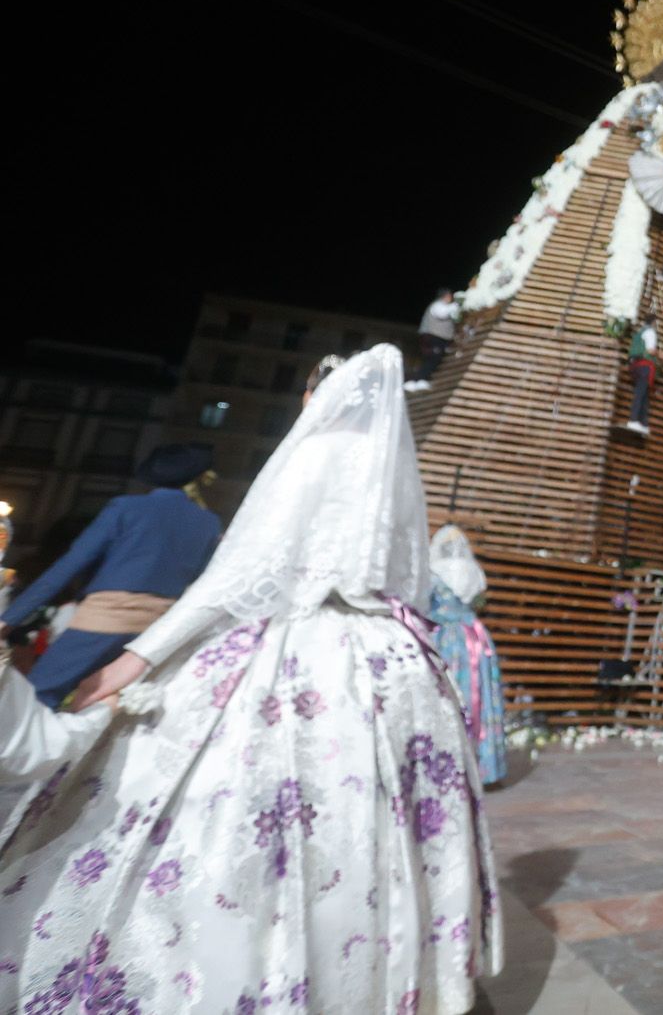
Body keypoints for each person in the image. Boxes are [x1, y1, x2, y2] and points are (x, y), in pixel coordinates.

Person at [0, 347, 499, 1012]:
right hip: (390, 658)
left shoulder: (312, 454)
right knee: (377, 818)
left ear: (320, 395)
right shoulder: (390, 468)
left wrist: (139, 657)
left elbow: (237, 578)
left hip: (290, 644)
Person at [0, 443, 221, 709]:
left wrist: (11, 618)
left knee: (33, 699)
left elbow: (71, 564)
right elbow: (200, 579)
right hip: (155, 630)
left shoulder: (126, 507)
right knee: (105, 706)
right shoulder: (208, 522)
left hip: (103, 619)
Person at [429, 523, 507, 786]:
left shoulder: (434, 572)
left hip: (445, 639)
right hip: (475, 637)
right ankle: (483, 766)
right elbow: (477, 602)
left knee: (446, 695)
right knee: (477, 697)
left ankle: (446, 765)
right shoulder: (473, 572)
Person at [409, 286, 457, 388]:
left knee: (435, 359)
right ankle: (420, 379)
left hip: (438, 338)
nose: (450, 298)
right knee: (433, 358)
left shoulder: (443, 306)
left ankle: (423, 379)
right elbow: (442, 314)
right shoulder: (438, 305)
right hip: (433, 337)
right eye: (449, 296)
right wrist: (455, 306)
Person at [623, 321, 658, 434]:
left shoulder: (639, 334)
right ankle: (634, 420)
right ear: (654, 323)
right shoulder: (650, 332)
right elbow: (650, 350)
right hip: (644, 366)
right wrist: (661, 355)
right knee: (641, 394)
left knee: (644, 395)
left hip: (634, 366)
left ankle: (643, 423)